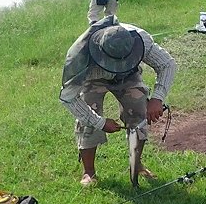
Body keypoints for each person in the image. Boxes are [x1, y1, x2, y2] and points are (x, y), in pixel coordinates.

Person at [60, 15, 177, 186]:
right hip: (94, 78)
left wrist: (157, 99)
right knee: (88, 116)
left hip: (129, 75)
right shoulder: (78, 57)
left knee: (139, 112)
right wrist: (99, 122)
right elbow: (69, 98)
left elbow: (167, 64)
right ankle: (89, 172)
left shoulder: (140, 39)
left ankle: (136, 165)